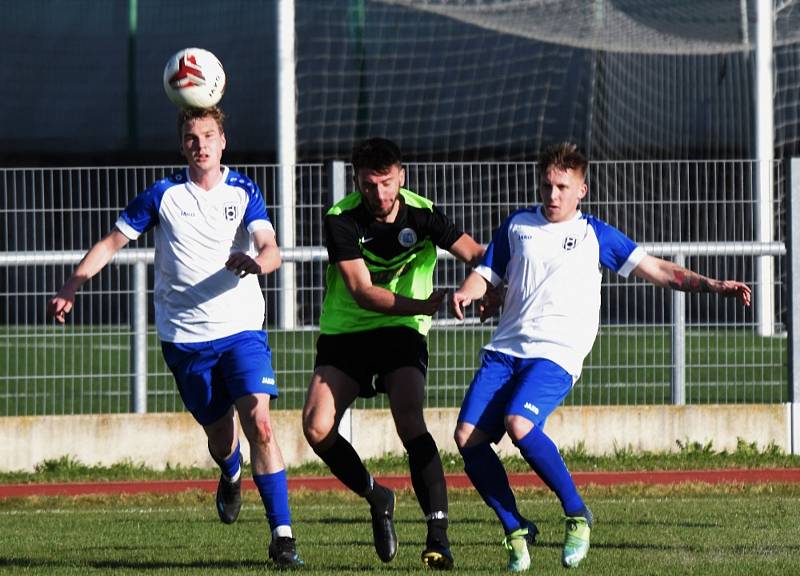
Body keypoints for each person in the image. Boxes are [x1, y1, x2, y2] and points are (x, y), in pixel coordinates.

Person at [450, 142, 751, 572]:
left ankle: (577, 513)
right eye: (547, 185)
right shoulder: (518, 226)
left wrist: (714, 285)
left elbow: (660, 271)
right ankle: (516, 528)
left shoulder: (596, 235)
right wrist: (467, 292)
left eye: (562, 187)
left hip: (557, 353)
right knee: (467, 438)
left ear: (582, 190)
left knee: (520, 423)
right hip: (505, 350)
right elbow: (486, 274)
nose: (552, 195)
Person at [46, 106, 303, 569]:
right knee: (221, 439)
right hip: (185, 339)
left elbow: (270, 248)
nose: (200, 144)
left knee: (260, 423)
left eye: (208, 135)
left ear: (224, 140)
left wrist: (257, 263)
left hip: (241, 328)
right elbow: (111, 243)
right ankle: (230, 472)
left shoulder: (245, 190)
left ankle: (282, 535)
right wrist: (73, 284)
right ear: (181, 145)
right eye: (191, 137)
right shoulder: (163, 195)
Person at [302, 137, 485, 570]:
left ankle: (438, 536)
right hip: (347, 331)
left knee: (408, 416)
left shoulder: (423, 212)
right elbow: (364, 293)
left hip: (402, 331)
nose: (380, 195)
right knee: (315, 427)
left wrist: (486, 286)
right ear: (357, 182)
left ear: (401, 177)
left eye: (387, 183)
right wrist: (425, 305)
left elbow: (477, 254)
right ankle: (376, 494)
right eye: (369, 185)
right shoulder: (341, 219)